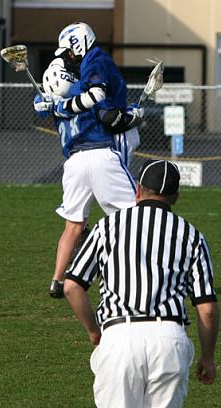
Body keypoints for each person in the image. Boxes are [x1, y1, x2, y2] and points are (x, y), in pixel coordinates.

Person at [63, 159, 220, 408]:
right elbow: (207, 308)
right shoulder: (191, 235)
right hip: (169, 339)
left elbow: (71, 286)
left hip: (119, 337)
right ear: (175, 197)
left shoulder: (107, 227)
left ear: (138, 190)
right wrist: (208, 357)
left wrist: (94, 331)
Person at [35, 58, 137, 299]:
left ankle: (57, 280)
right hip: (100, 154)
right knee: (137, 216)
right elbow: (111, 114)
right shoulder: (86, 98)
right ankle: (133, 275)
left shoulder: (53, 105)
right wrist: (134, 111)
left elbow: (41, 104)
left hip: (73, 162)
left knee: (73, 227)